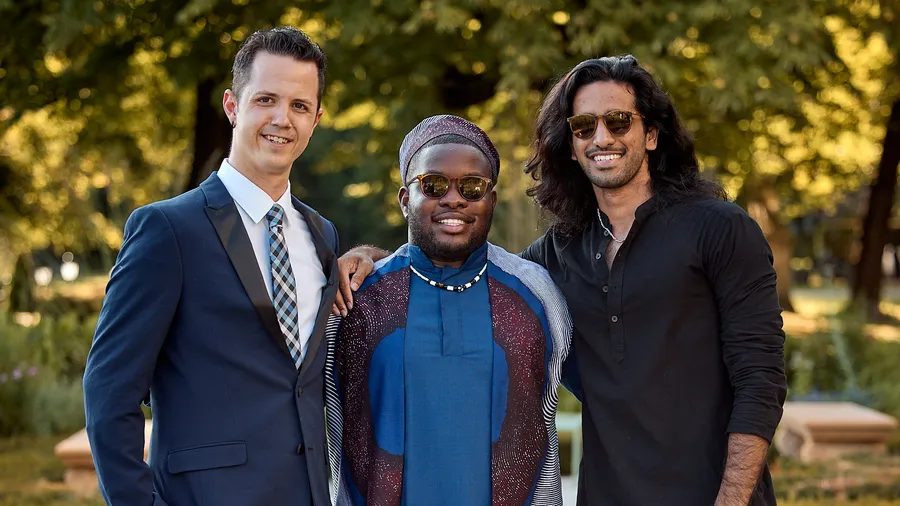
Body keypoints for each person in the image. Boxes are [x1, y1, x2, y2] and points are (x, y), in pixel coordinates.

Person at [334, 56, 787, 506]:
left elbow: (761, 379)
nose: (601, 137)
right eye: (584, 126)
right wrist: (371, 259)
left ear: (651, 134)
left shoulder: (721, 230)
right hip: (606, 493)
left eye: (618, 121)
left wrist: (732, 500)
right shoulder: (555, 257)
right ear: (570, 145)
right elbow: (467, 262)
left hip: (714, 493)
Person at [83, 27, 339, 506]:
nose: (282, 119)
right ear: (232, 106)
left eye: (300, 106)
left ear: (316, 118)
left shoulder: (322, 236)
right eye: (266, 99)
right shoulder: (167, 230)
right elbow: (109, 394)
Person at [324, 115, 572, 506]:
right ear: (406, 199)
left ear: (491, 199)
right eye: (433, 185)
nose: (453, 199)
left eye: (472, 187)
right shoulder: (355, 299)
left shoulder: (537, 294)